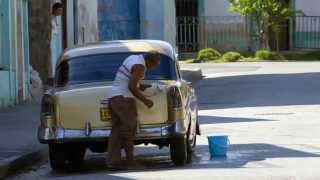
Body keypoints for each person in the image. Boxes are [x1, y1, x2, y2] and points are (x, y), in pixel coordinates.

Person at [107, 51, 161, 170]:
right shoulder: (140, 66)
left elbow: (128, 79)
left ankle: (113, 162)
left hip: (114, 97)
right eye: (155, 64)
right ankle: (131, 163)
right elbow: (131, 86)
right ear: (149, 61)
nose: (154, 67)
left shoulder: (133, 58)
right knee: (128, 131)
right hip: (124, 99)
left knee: (116, 131)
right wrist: (145, 100)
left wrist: (141, 86)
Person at [50, 2, 63, 78]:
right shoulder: (51, 18)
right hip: (52, 41)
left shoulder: (55, 18)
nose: (60, 12)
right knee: (53, 58)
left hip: (56, 41)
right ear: (55, 9)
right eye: (59, 10)